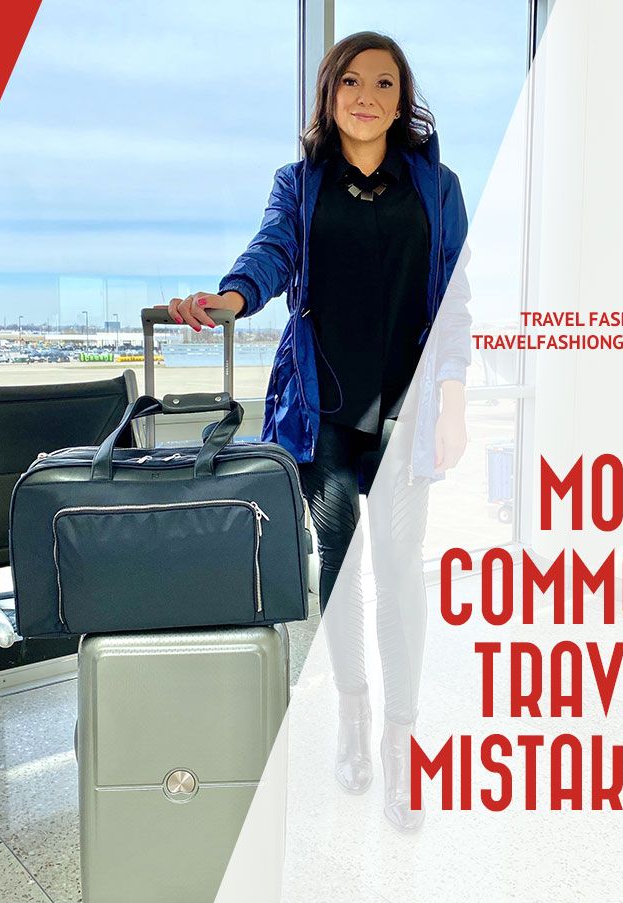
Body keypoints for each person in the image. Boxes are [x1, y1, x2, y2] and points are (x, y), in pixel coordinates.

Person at [167, 31, 471, 832]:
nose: (366, 95)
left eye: (384, 83)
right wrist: (232, 298)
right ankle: (352, 711)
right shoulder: (298, 185)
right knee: (339, 572)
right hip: (325, 414)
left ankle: (402, 739)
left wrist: (456, 395)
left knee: (403, 576)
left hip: (405, 415)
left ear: (402, 101)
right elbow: (270, 254)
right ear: (329, 94)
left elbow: (456, 299)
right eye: (350, 82)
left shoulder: (438, 190)